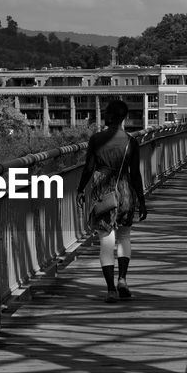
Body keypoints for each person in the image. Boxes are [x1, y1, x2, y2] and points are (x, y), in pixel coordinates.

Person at [76, 100, 148, 302]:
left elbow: (89, 168)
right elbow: (136, 174)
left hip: (103, 190)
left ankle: (110, 289)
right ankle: (123, 279)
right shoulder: (131, 141)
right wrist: (141, 200)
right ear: (124, 117)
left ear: (110, 116)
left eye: (107, 112)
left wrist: (81, 189)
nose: (105, 115)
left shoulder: (97, 139)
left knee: (106, 240)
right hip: (125, 190)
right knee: (124, 236)